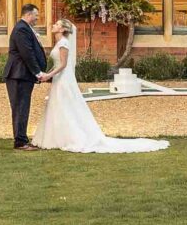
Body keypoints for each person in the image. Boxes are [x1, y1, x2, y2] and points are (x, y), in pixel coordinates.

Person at [30, 19, 168, 153]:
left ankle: (71, 137)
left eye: (57, 24)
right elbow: (57, 64)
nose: (53, 25)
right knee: (57, 104)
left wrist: (48, 75)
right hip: (58, 78)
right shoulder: (59, 42)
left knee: (65, 104)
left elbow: (63, 64)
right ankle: (56, 137)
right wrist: (46, 74)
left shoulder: (64, 43)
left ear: (63, 29)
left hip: (63, 80)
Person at [4, 2, 51, 149]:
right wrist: (38, 72)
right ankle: (20, 142)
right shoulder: (21, 29)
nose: (37, 18)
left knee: (23, 107)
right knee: (20, 107)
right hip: (19, 75)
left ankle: (22, 138)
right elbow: (27, 53)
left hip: (23, 75)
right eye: (36, 15)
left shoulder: (25, 28)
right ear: (28, 14)